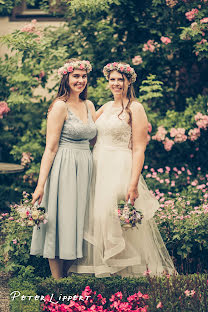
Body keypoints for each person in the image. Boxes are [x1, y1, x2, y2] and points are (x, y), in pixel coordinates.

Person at [69, 62, 176, 277]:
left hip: (120, 167)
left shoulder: (135, 108)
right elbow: (88, 130)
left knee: (117, 219)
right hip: (99, 167)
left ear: (128, 82)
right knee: (99, 218)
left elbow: (139, 148)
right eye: (112, 79)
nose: (116, 83)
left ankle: (128, 274)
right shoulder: (106, 107)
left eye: (120, 79)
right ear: (108, 82)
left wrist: (133, 183)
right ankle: (105, 271)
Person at [30, 59, 97, 280]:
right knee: (61, 219)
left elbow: (97, 138)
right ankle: (57, 282)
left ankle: (69, 276)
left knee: (78, 220)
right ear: (66, 79)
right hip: (65, 166)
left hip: (86, 166)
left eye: (83, 76)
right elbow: (50, 148)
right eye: (76, 76)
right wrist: (41, 185)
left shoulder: (89, 106)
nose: (80, 80)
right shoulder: (60, 106)